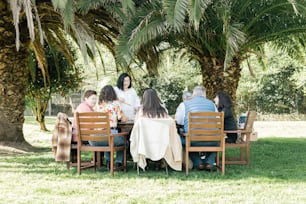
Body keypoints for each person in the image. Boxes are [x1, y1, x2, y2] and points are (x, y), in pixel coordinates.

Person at [176, 85, 218, 171]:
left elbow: (179, 121)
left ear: (193, 94)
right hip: (212, 140)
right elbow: (217, 122)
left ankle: (198, 162)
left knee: (184, 140)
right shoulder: (212, 105)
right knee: (217, 142)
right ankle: (209, 162)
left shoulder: (184, 105)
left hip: (193, 140)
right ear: (204, 94)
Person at [90, 85, 127, 169]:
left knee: (108, 138)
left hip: (95, 140)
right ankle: (118, 162)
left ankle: (108, 161)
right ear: (113, 94)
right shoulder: (115, 104)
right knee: (124, 141)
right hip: (109, 137)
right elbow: (123, 118)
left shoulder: (97, 106)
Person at [135, 88, 170, 170]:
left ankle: (145, 162)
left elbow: (136, 125)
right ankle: (158, 162)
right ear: (156, 97)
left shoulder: (141, 111)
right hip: (160, 141)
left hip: (144, 142)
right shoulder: (163, 111)